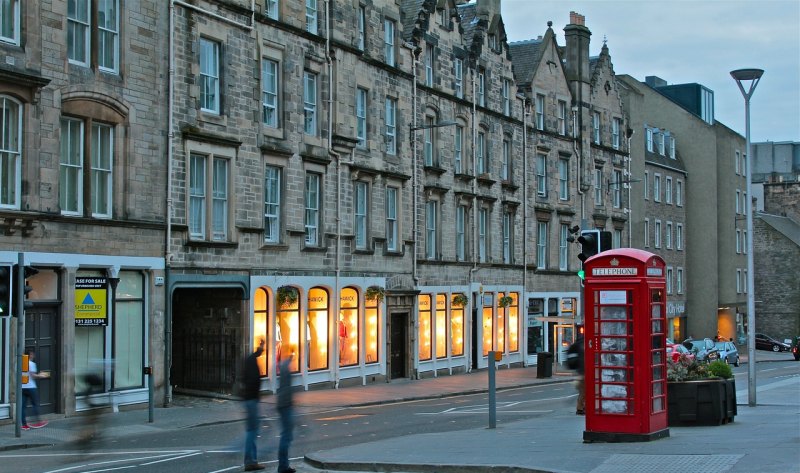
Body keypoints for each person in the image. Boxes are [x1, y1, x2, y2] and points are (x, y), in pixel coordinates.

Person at [242, 338, 266, 471]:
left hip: (249, 399)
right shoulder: (251, 361)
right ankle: (250, 460)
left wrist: (261, 348)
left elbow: (255, 354)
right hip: (251, 400)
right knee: (252, 431)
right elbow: (253, 381)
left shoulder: (249, 359)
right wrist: (256, 394)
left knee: (252, 431)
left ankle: (251, 460)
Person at [276, 349, 295, 473]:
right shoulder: (284, 369)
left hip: (284, 404)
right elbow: (287, 388)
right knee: (286, 436)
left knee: (287, 435)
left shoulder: (282, 366)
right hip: (285, 405)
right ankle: (283, 466)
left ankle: (283, 465)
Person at [21, 348, 48, 430]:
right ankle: (38, 422)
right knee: (35, 404)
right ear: (31, 354)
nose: (34, 355)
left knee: (23, 407)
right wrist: (41, 375)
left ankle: (24, 425)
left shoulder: (21, 364)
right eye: (33, 354)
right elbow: (33, 376)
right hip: (31, 387)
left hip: (23, 387)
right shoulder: (31, 364)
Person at [567, 334, 585, 415]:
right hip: (583, 372)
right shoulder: (582, 346)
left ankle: (581, 407)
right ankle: (580, 408)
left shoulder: (577, 345)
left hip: (579, 371)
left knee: (583, 391)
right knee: (584, 391)